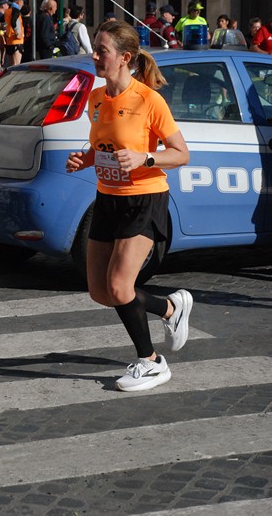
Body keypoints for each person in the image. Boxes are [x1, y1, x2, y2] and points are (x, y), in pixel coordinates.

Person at [66, 20, 192, 392]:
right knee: (100, 292)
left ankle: (151, 362)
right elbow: (102, 147)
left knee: (121, 286)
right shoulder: (96, 98)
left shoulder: (149, 100)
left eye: (101, 50)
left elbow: (181, 154)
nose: (94, 56)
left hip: (145, 199)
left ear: (124, 58)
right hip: (107, 199)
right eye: (96, 49)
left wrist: (145, 159)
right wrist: (85, 159)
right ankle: (171, 308)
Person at [4, 0, 25, 65]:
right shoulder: (16, 10)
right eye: (23, 2)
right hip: (16, 41)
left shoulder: (7, 11)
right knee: (16, 65)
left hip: (9, 40)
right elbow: (13, 22)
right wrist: (17, 33)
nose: (23, 4)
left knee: (11, 66)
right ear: (19, 2)